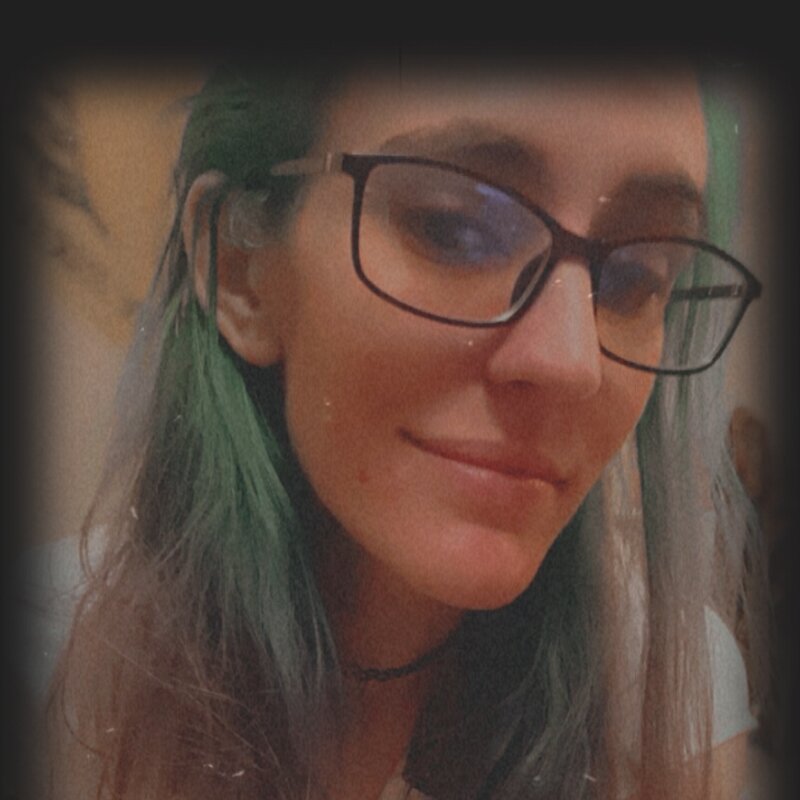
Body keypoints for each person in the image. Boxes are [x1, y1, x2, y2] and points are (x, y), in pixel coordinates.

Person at [38, 57, 768, 800]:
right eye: (456, 230)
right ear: (241, 269)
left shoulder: (668, 702)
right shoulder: (52, 679)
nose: (571, 363)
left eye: (636, 277)